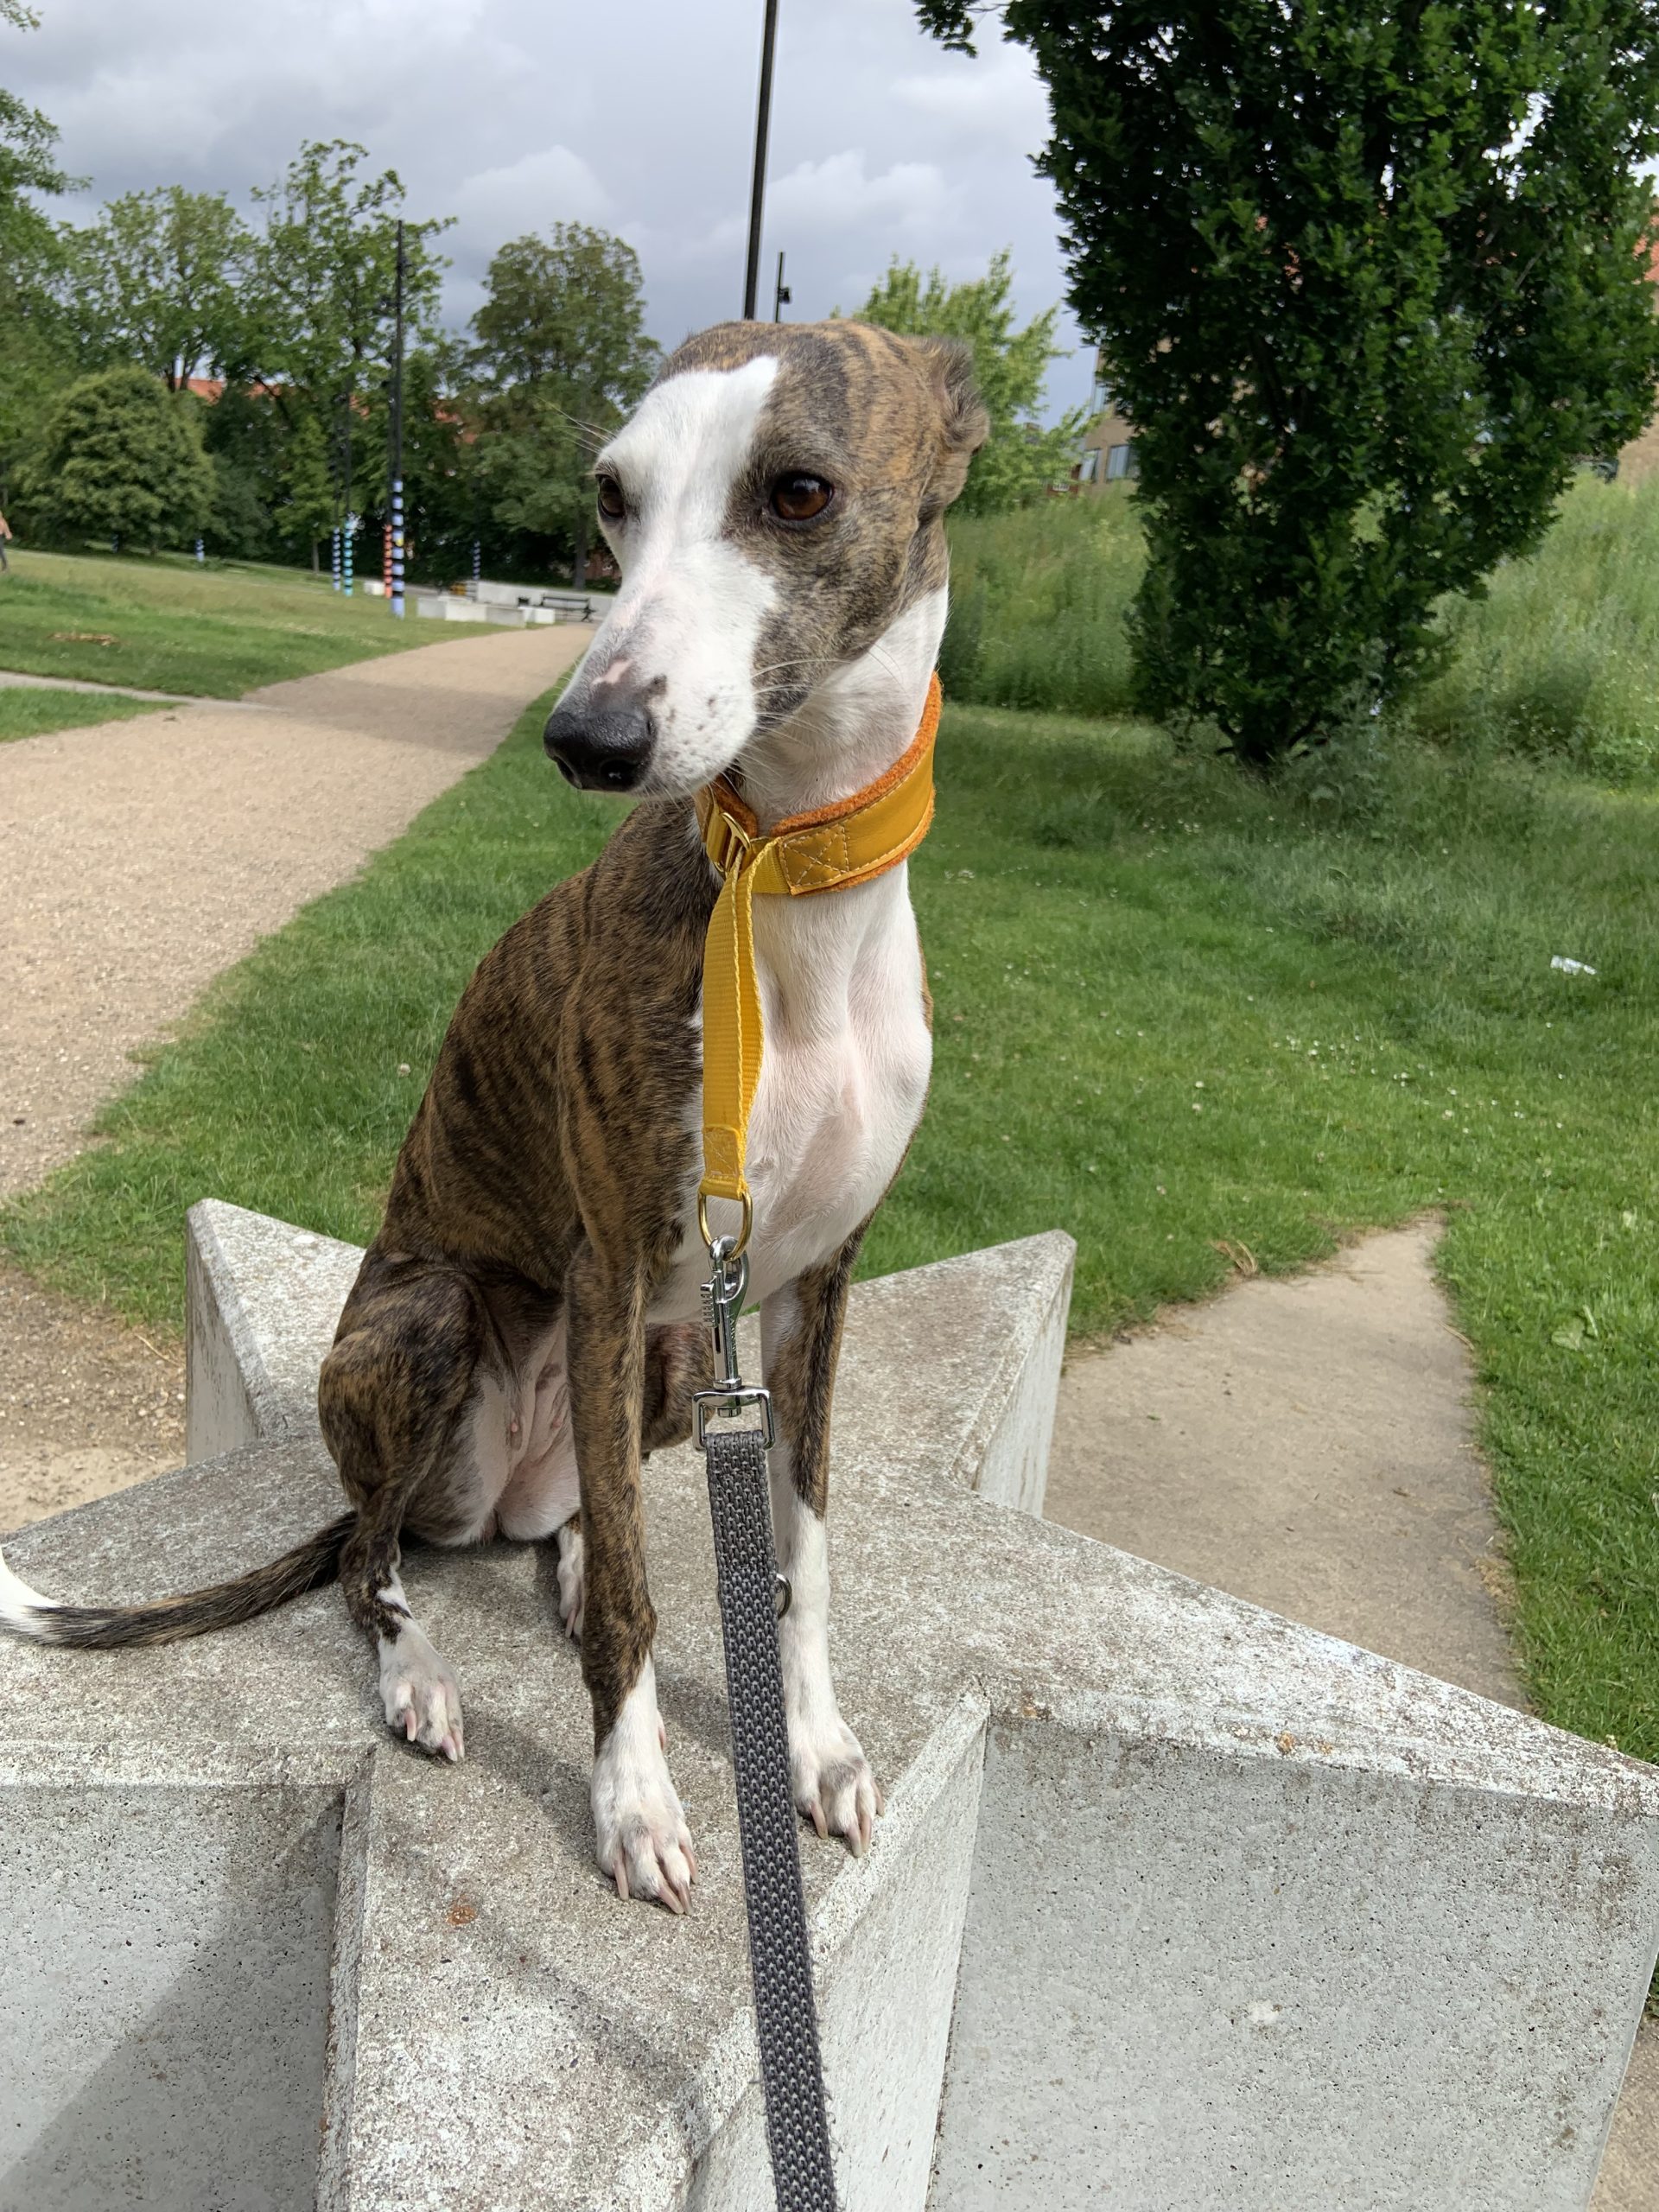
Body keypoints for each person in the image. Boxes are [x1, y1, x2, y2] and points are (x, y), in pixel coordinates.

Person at [0, 508, 11, 572]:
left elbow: (6, 528)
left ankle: (5, 567)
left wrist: (8, 534)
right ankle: (5, 567)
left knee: (1, 552)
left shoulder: (2, 521)